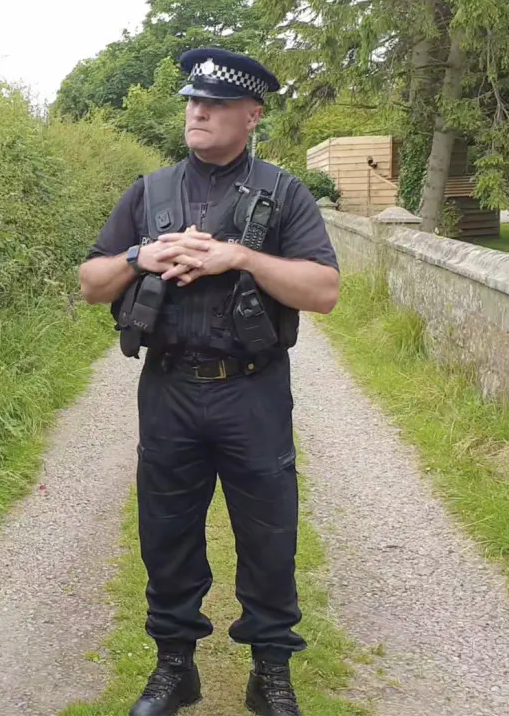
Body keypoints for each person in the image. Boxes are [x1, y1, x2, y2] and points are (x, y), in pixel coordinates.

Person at [78, 48, 341, 716]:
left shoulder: (283, 193)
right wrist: (142, 255)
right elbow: (90, 282)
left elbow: (325, 289)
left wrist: (240, 256)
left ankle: (271, 673)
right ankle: (175, 668)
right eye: (193, 100)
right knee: (165, 531)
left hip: (251, 389)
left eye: (215, 103)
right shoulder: (150, 192)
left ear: (251, 115)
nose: (197, 111)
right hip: (168, 387)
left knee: (268, 531)